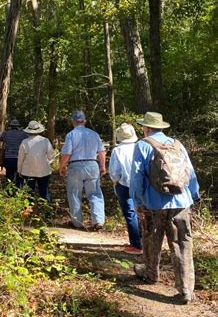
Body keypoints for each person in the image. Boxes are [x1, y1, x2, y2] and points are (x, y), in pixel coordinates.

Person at [130, 112, 200, 304]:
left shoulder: (143, 145)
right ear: (161, 127)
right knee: (182, 244)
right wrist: (192, 196)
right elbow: (190, 173)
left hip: (154, 204)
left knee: (152, 239)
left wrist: (136, 201)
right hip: (181, 202)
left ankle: (151, 274)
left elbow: (137, 176)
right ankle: (185, 289)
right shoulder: (177, 145)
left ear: (146, 128)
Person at [59, 110, 106, 230]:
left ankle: (77, 222)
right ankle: (98, 220)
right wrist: (102, 166)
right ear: (84, 121)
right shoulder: (94, 134)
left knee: (74, 193)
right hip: (92, 164)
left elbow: (67, 153)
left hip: (75, 166)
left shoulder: (71, 135)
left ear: (73, 121)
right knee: (95, 193)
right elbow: (101, 151)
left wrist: (62, 166)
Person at [109, 123, 142, 253]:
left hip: (124, 185)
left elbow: (114, 171)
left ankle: (136, 245)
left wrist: (115, 181)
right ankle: (144, 242)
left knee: (130, 214)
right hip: (140, 184)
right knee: (142, 213)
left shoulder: (118, 150)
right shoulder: (140, 147)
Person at [17, 121, 54, 202]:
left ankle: (28, 211)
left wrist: (19, 170)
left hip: (28, 171)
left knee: (29, 193)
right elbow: (50, 156)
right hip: (44, 171)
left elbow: (20, 158)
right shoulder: (45, 141)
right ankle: (46, 211)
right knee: (44, 191)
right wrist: (49, 163)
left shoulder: (25, 142)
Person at [0, 118, 28, 184]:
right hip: (19, 158)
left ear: (11, 126)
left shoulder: (5, 133)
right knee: (19, 175)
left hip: (8, 157)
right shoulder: (23, 134)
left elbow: (0, 139)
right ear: (18, 126)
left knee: (9, 175)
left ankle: (9, 191)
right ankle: (18, 189)